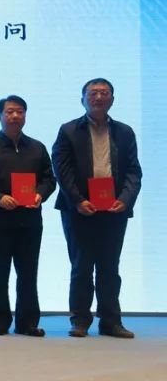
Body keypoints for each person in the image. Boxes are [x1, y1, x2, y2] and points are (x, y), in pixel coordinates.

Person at [52, 78, 142, 339]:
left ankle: (111, 321)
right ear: (82, 99)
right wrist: (78, 200)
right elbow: (62, 170)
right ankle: (80, 320)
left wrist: (125, 199)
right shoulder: (69, 130)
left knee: (109, 267)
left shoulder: (125, 132)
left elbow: (134, 171)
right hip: (79, 209)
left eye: (104, 93)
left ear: (112, 99)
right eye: (93, 93)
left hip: (114, 210)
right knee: (81, 266)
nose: (99, 97)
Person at [0, 95, 56, 336]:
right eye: (9, 112)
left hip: (30, 220)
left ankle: (27, 322)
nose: (14, 116)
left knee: (28, 273)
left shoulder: (37, 147)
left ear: (25, 116)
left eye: (19, 112)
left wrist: (40, 194)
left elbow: (49, 179)